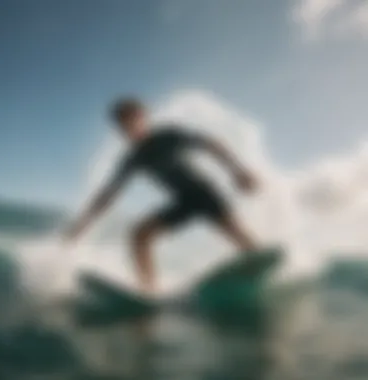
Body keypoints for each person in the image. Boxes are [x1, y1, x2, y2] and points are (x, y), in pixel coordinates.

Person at [64, 97, 260, 295]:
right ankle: (149, 290)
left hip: (205, 193)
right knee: (140, 235)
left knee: (237, 235)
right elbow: (108, 194)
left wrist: (238, 172)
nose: (129, 130)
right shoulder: (133, 158)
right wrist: (82, 224)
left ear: (143, 118)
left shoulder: (167, 136)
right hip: (183, 202)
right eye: (123, 127)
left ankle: (260, 261)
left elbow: (211, 144)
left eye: (132, 122)